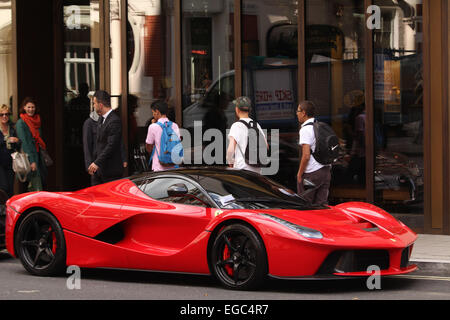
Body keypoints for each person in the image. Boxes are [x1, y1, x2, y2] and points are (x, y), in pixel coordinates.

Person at [296, 100, 331, 205]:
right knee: (321, 206)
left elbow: (306, 155)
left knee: (305, 206)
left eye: (298, 111)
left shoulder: (305, 130)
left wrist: (299, 174)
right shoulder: (320, 126)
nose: (297, 113)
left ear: (304, 113)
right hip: (326, 170)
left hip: (312, 173)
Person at [83, 108, 127, 186]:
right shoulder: (89, 123)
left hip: (110, 165)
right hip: (96, 164)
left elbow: (117, 141)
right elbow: (87, 145)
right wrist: (89, 165)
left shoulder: (111, 120)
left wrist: (123, 158)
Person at [88, 90, 124, 185]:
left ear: (100, 105)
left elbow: (111, 145)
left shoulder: (114, 121)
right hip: (100, 171)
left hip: (111, 172)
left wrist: (97, 162)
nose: (93, 106)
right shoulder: (101, 119)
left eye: (94, 103)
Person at [226, 96, 267, 174]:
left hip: (242, 169)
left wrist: (230, 161)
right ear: (250, 110)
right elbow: (266, 146)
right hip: (257, 170)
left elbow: (231, 149)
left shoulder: (236, 126)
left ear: (237, 109)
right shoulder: (256, 125)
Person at [16, 97, 48, 192]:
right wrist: (31, 161)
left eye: (33, 107)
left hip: (39, 155)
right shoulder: (21, 123)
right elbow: (24, 143)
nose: (31, 109)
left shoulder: (37, 121)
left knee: (41, 181)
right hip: (29, 158)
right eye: (28, 107)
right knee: (35, 185)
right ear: (24, 108)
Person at [145, 100, 181, 172]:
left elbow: (148, 147)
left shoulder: (153, 127)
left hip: (159, 166)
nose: (153, 115)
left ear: (157, 111)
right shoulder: (174, 125)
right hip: (173, 165)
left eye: (153, 112)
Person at [0, 104, 20, 199]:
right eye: (2, 114)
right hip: (0, 162)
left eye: (7, 114)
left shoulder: (12, 128)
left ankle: (8, 209)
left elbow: (18, 145)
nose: (4, 116)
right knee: (4, 186)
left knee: (11, 188)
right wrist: (4, 140)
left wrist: (17, 141)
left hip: (10, 162)